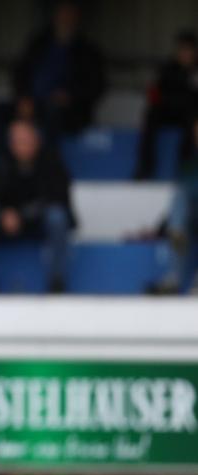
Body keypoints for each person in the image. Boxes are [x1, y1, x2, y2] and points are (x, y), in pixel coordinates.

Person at [0, 0, 105, 154]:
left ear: (77, 18)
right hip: (32, 103)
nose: (65, 18)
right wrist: (24, 97)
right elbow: (19, 73)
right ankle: (2, 161)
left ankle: (47, 162)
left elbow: (96, 85)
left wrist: (70, 96)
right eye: (62, 14)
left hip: (66, 109)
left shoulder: (87, 50)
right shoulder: (39, 42)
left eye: (70, 14)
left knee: (54, 113)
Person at [0, 119, 75, 293]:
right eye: (16, 141)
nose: (21, 145)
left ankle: (57, 281)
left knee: (57, 217)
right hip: (5, 223)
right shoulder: (1, 161)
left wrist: (21, 216)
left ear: (37, 140)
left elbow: (57, 198)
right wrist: (3, 215)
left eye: (26, 140)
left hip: (39, 223)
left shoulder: (52, 161)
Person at [134, 31, 198, 180]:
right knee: (151, 116)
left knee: (193, 120)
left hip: (190, 114)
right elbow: (155, 94)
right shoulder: (168, 68)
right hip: (169, 111)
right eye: (182, 50)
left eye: (189, 50)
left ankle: (185, 167)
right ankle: (145, 166)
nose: (185, 54)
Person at [147, 117, 198, 294]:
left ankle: (176, 226)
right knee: (181, 194)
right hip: (190, 212)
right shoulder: (189, 159)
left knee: (182, 199)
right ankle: (174, 277)